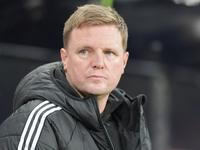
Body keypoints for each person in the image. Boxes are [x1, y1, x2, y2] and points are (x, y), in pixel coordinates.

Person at [0, 4, 151, 150]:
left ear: (123, 62)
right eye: (85, 51)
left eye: (109, 53)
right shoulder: (38, 122)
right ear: (65, 58)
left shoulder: (130, 123)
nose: (98, 63)